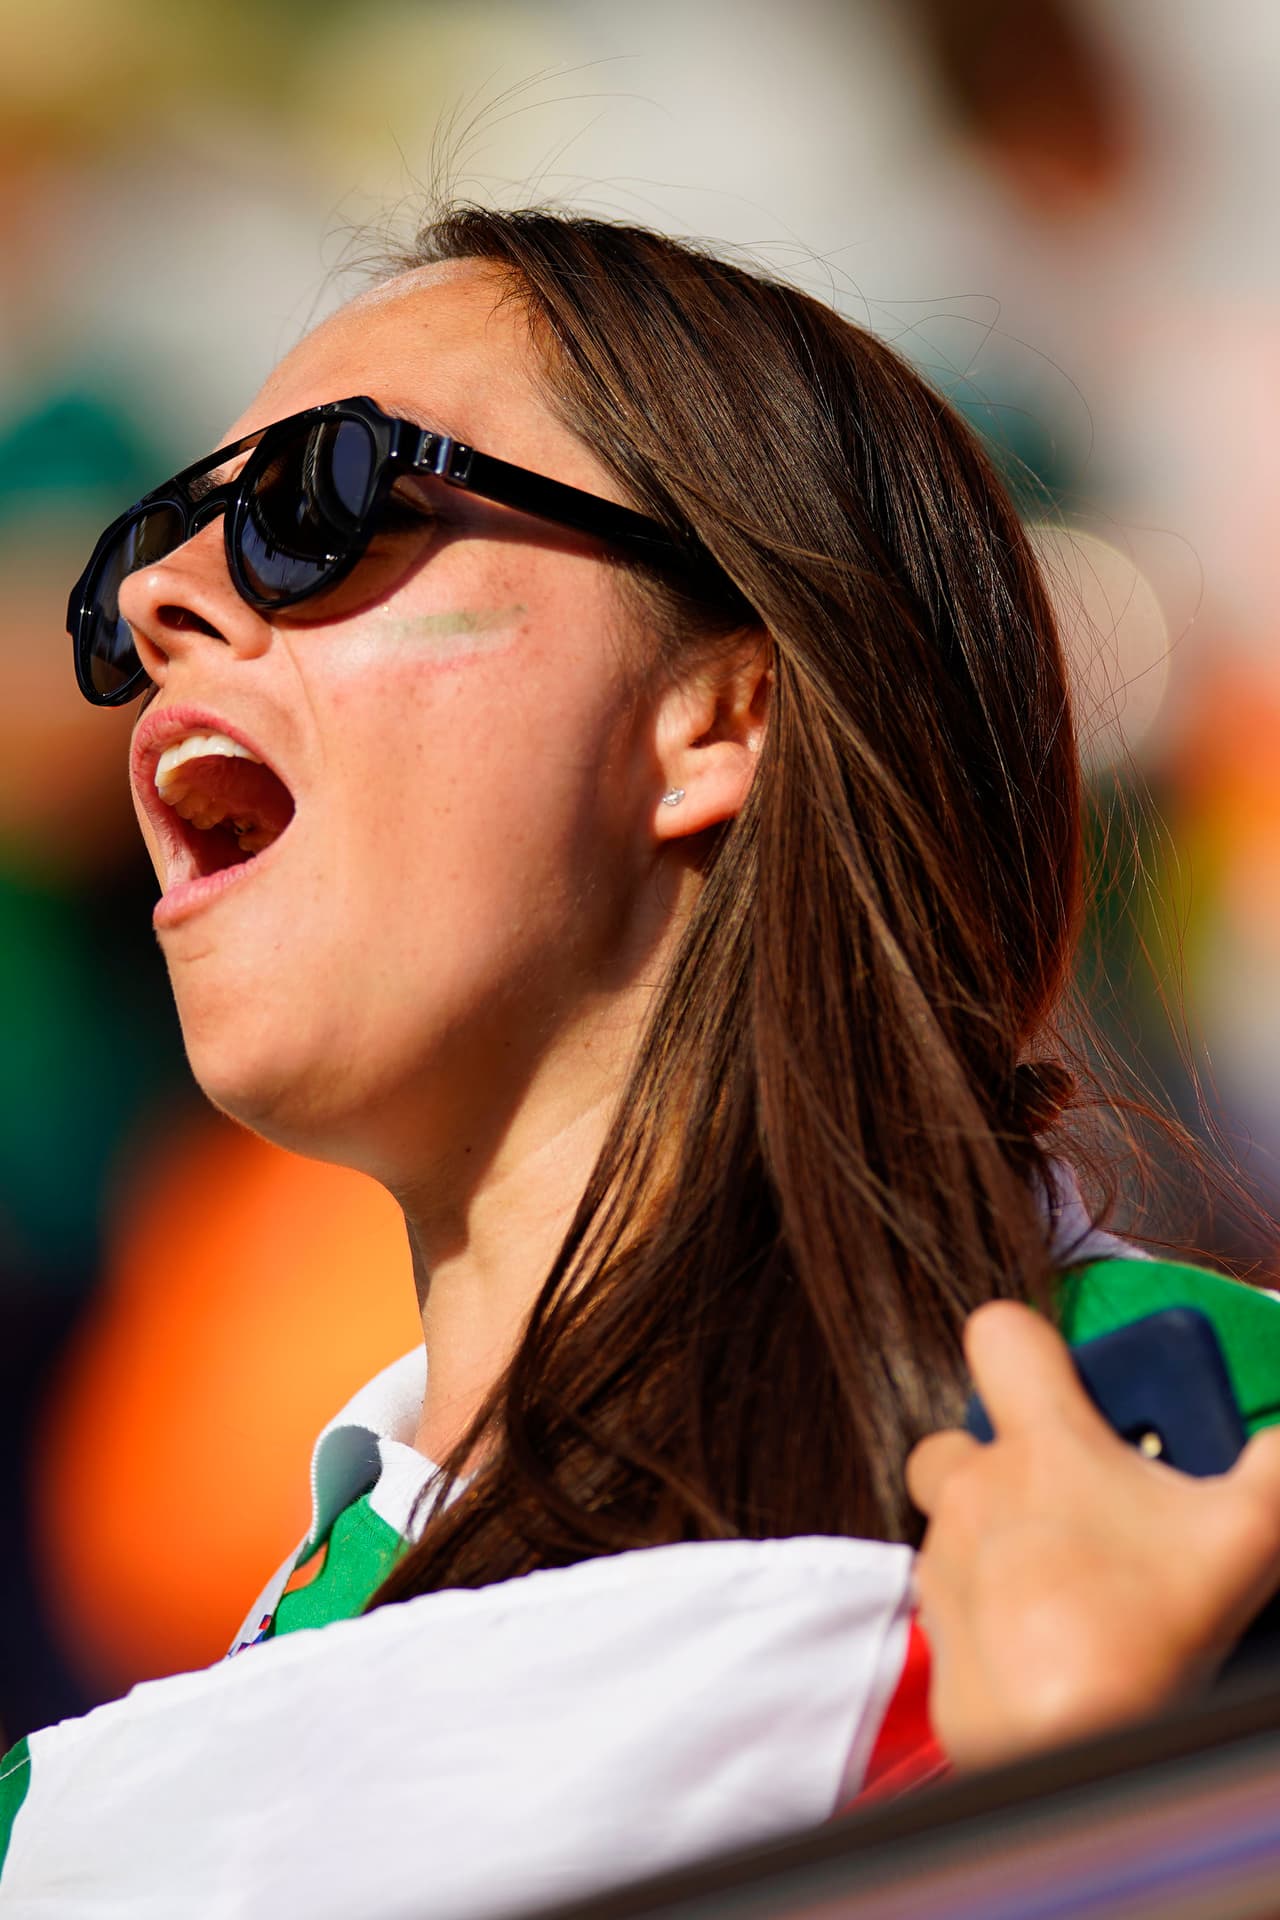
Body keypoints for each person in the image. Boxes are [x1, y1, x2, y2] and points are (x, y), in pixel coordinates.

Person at [3, 206, 1280, 1915]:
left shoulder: (1211, 1448)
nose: (158, 598)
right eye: (142, 555)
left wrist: (1112, 1816)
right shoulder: (76, 1813)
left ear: (720, 716)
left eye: (323, 502)